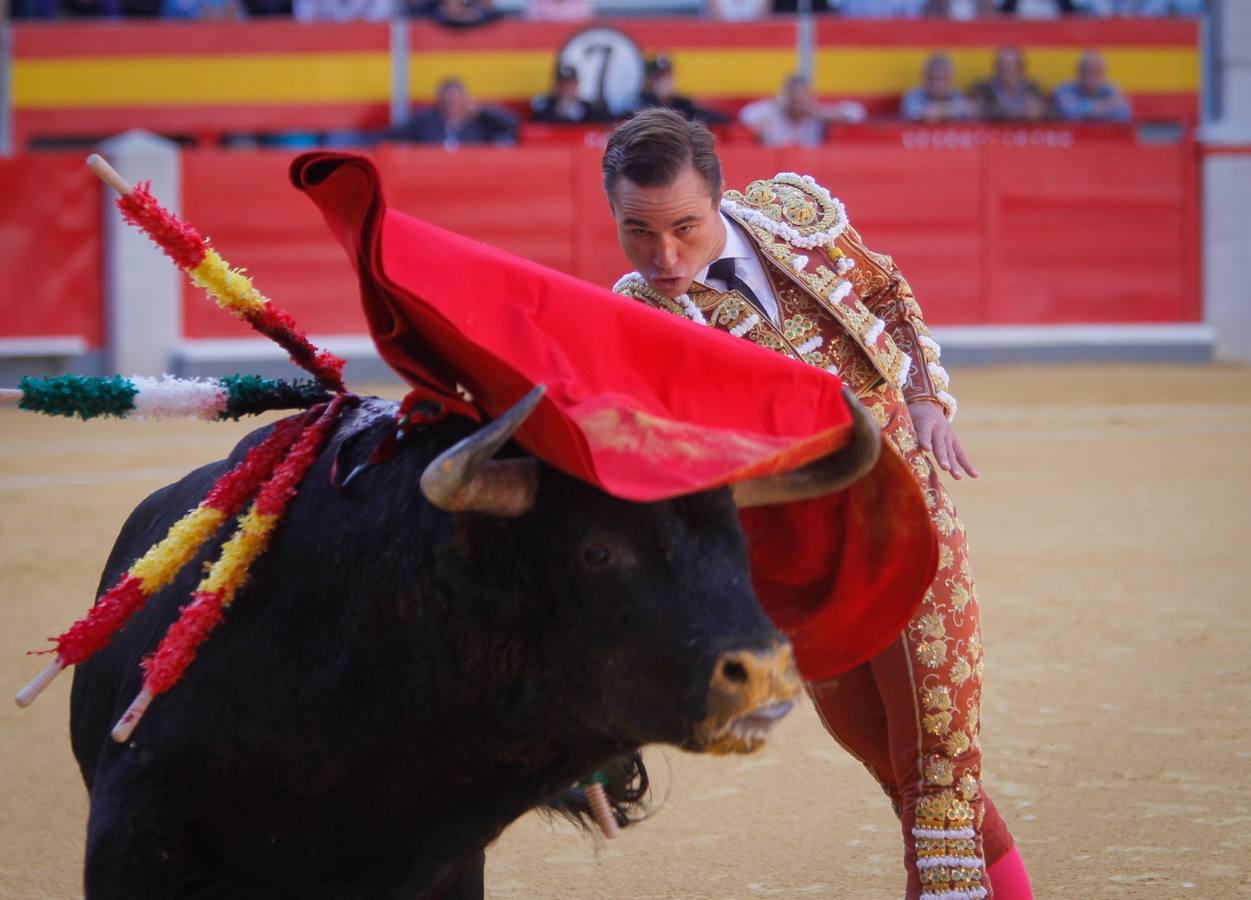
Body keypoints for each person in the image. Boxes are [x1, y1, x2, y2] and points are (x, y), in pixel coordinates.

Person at [603, 108, 1035, 900]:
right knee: (894, 764)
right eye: (637, 231)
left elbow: (885, 289)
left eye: (685, 228)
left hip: (907, 513)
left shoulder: (790, 217)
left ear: (720, 198)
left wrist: (925, 397)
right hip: (801, 563)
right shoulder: (634, 317)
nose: (664, 257)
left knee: (938, 763)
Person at [738, 73, 867, 147]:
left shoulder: (817, 115)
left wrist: (821, 115)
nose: (799, 103)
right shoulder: (772, 112)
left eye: (802, 97)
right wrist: (779, 104)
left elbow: (857, 114)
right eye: (795, 97)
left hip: (812, 170)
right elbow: (746, 115)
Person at [389, 78, 518, 148]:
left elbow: (512, 124)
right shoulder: (424, 121)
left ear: (465, 101)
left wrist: (482, 111)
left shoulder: (479, 124)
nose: (451, 106)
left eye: (455, 101)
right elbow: (391, 135)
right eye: (447, 101)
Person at [635, 55, 729, 125]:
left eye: (668, 77)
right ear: (650, 79)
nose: (665, 82)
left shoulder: (681, 102)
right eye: (659, 77)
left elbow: (708, 116)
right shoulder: (640, 102)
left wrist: (699, 122)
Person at [970, 47, 1047, 122]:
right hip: (991, 133)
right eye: (1002, 65)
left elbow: (1050, 112)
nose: (1007, 70)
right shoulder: (982, 89)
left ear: (1021, 69)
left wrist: (1039, 111)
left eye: (1011, 66)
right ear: (995, 68)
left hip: (1023, 133)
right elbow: (976, 111)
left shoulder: (1033, 89)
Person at [1052, 51, 1133, 122]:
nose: (1091, 76)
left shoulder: (1111, 89)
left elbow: (1123, 113)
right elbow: (1068, 112)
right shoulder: (1064, 89)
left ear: (1103, 73)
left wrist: (1083, 109)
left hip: (1104, 136)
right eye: (1086, 71)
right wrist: (1104, 107)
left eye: (1096, 71)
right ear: (1078, 72)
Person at [902, 53, 976, 122]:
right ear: (925, 78)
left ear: (951, 79)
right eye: (934, 78)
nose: (938, 84)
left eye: (944, 79)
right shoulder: (913, 95)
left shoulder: (957, 95)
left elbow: (970, 111)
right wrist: (951, 109)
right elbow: (915, 113)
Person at [531, 64, 612, 124]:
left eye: (569, 85)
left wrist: (577, 114)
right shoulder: (546, 108)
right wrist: (559, 113)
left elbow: (605, 121)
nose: (566, 90)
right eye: (562, 85)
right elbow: (538, 125)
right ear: (555, 86)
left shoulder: (588, 107)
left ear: (577, 85)